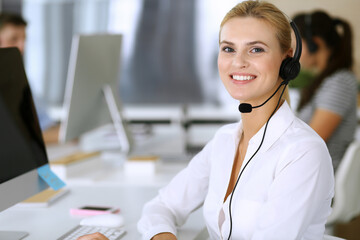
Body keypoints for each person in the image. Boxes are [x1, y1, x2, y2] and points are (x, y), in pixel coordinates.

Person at [78, 1, 334, 240]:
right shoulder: (224, 140)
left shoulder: (302, 151)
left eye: (256, 49)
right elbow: (162, 206)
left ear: (287, 61)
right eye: (228, 49)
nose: (238, 62)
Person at [293, 11, 358, 172]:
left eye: (296, 45)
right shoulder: (326, 81)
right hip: (311, 172)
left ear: (314, 43)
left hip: (320, 179)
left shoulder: (340, 82)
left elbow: (311, 142)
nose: (293, 53)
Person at [0, 12, 60, 144]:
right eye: (14, 39)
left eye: (24, 39)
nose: (22, 47)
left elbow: (44, 121)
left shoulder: (20, 78)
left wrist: (65, 131)